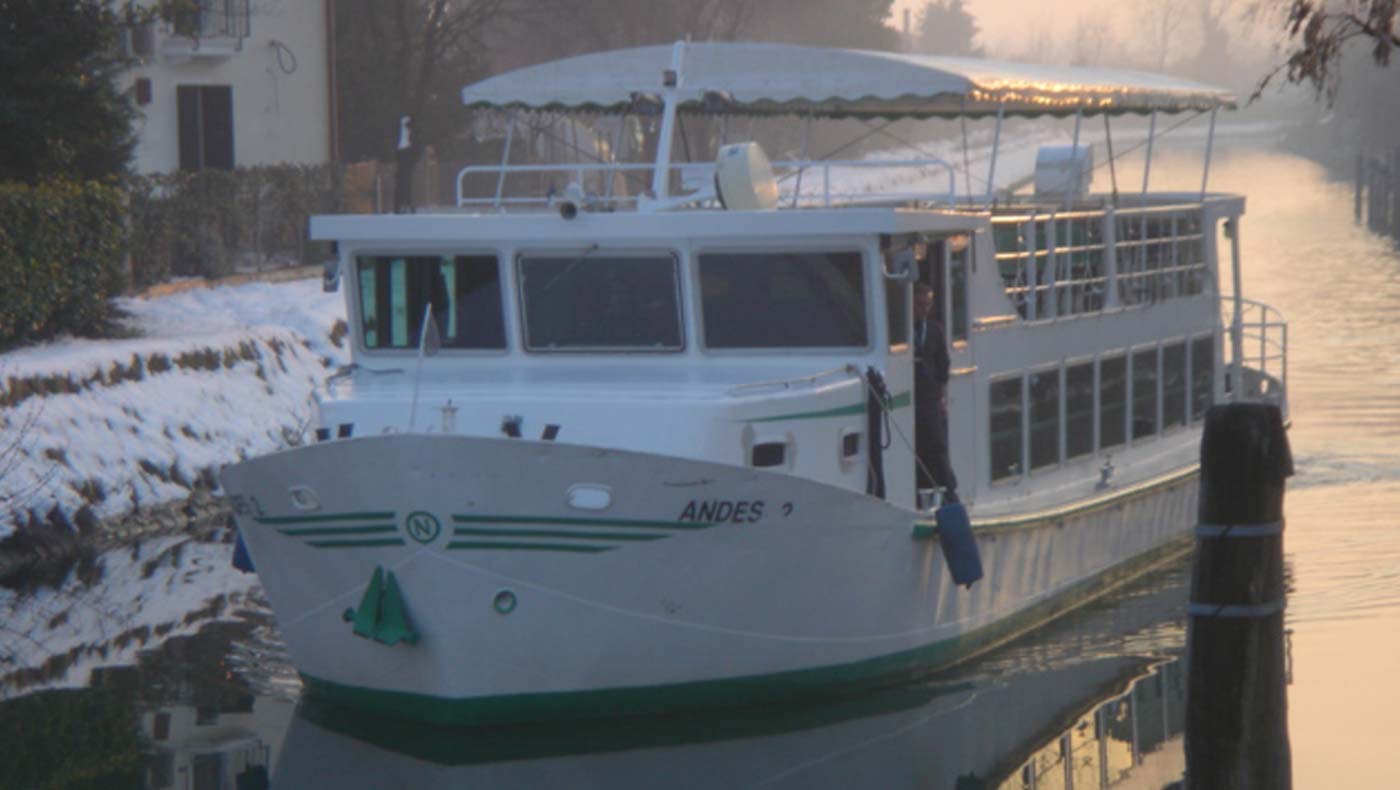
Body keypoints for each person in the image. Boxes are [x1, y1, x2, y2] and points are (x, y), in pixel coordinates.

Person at [913, 281, 960, 503]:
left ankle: (949, 489)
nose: (924, 309)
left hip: (930, 395)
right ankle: (920, 487)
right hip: (913, 394)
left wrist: (941, 394)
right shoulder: (905, 329)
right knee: (918, 443)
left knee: (937, 442)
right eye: (920, 304)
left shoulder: (934, 330)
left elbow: (943, 364)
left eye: (927, 305)